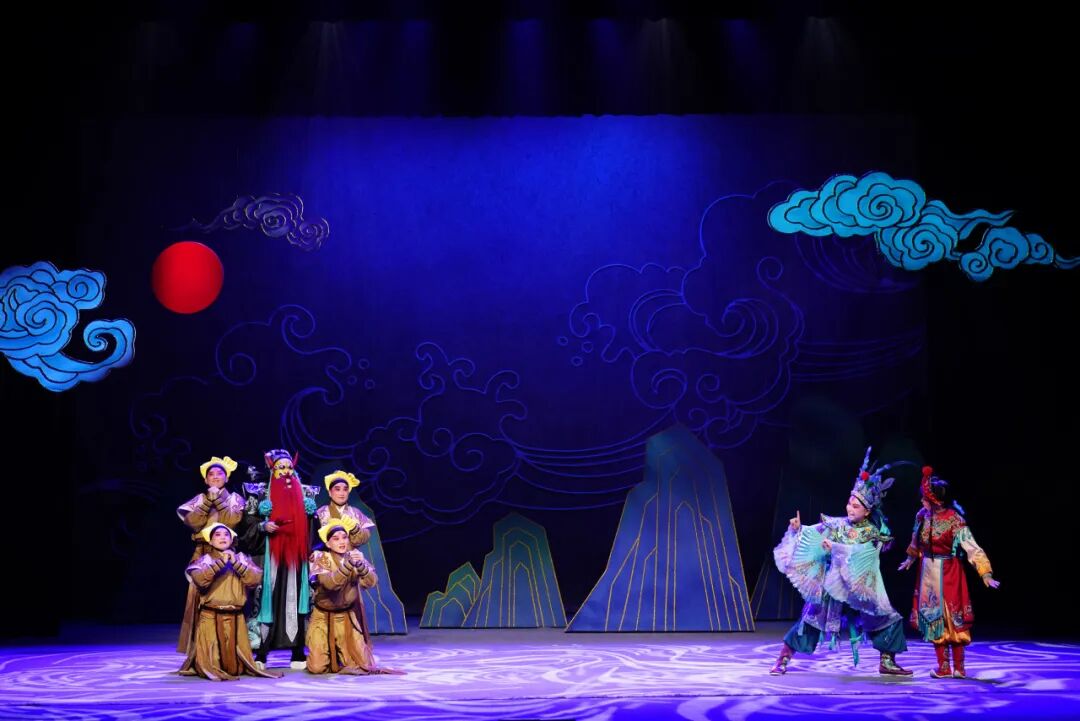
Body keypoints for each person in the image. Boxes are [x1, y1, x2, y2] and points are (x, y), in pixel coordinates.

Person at [770, 447, 913, 676]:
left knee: (886, 616)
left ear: (867, 511)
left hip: (858, 585)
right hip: (832, 585)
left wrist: (836, 548)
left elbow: (864, 554)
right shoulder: (837, 524)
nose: (850, 509)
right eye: (849, 503)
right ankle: (783, 659)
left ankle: (887, 661)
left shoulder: (872, 533)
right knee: (809, 620)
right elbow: (813, 533)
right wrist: (798, 529)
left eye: (856, 506)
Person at [899, 466, 999, 679]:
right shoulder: (922, 516)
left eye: (925, 498)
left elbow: (972, 547)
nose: (922, 501)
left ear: (936, 499)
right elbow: (916, 541)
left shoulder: (955, 520)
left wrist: (985, 573)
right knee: (934, 620)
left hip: (949, 572)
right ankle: (944, 667)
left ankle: (959, 667)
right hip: (928, 573)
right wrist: (910, 558)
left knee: (953, 618)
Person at [238, 449, 318, 669]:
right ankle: (262, 653)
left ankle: (297, 652)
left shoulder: (306, 493)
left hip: (297, 555)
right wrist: (264, 526)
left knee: (297, 599)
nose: (286, 472)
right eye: (281, 467)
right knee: (268, 600)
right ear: (272, 469)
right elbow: (247, 523)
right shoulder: (259, 493)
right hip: (270, 554)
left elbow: (315, 526)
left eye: (289, 467)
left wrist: (309, 519)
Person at [178, 522, 281, 681]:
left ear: (232, 540)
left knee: (234, 668)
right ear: (210, 541)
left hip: (235, 617)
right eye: (217, 535)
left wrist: (235, 563)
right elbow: (199, 579)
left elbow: (255, 579)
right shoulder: (204, 560)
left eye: (226, 534)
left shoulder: (241, 559)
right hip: (210, 616)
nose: (223, 537)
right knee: (212, 663)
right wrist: (220, 563)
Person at [305, 515, 398, 675]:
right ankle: (329, 652)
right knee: (317, 667)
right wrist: (348, 565)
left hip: (346, 617)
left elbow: (371, 582)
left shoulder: (355, 556)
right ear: (328, 543)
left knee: (363, 664)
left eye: (344, 537)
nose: (342, 542)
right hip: (322, 617)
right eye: (336, 539)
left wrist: (361, 566)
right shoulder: (321, 557)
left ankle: (341, 653)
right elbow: (330, 584)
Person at [176, 456, 246, 653]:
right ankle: (198, 649)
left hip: (226, 554)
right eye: (211, 474)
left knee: (225, 595)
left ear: (227, 478)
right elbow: (193, 523)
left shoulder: (235, 499)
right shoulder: (200, 499)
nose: (215, 477)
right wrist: (208, 501)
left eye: (220, 473)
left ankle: (227, 648)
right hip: (203, 552)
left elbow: (231, 521)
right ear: (206, 480)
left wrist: (219, 500)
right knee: (198, 596)